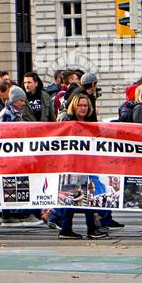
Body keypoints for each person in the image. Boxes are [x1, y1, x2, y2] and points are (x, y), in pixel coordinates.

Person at [53, 96, 108, 240]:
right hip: (71, 165)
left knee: (87, 195)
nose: (83, 108)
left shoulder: (89, 124)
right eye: (80, 105)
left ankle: (84, 228)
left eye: (85, 105)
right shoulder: (68, 122)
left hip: (85, 164)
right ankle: (70, 229)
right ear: (74, 107)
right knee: (72, 197)